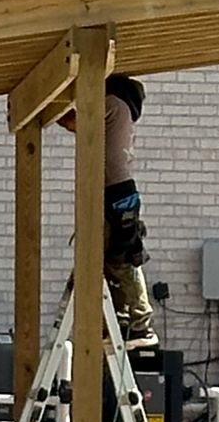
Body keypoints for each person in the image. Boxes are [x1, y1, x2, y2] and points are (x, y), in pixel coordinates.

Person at [59, 72, 158, 345]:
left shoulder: (111, 102)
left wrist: (52, 102)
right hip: (122, 190)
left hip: (113, 191)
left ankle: (139, 323)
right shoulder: (124, 111)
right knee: (116, 254)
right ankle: (121, 317)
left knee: (118, 257)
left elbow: (73, 122)